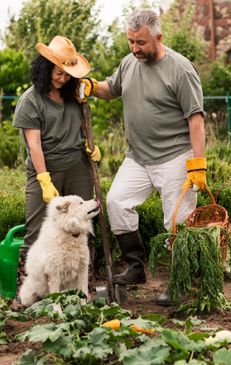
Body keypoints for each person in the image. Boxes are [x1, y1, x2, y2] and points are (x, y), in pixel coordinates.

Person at [77, 9, 207, 306]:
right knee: (116, 202)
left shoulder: (181, 70)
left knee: (177, 223)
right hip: (138, 157)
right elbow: (113, 89)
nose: (135, 48)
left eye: (141, 43)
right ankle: (136, 268)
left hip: (174, 156)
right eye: (130, 41)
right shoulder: (128, 63)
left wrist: (197, 164)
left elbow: (196, 119)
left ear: (159, 38)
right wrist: (93, 87)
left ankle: (181, 282)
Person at [12, 35, 101, 308]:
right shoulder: (31, 101)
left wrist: (90, 148)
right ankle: (23, 291)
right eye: (57, 72)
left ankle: (86, 286)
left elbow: (83, 127)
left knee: (84, 225)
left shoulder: (75, 97)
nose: (62, 78)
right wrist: (43, 178)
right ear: (45, 68)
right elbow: (34, 145)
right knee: (36, 227)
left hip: (77, 166)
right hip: (45, 168)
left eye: (67, 74)